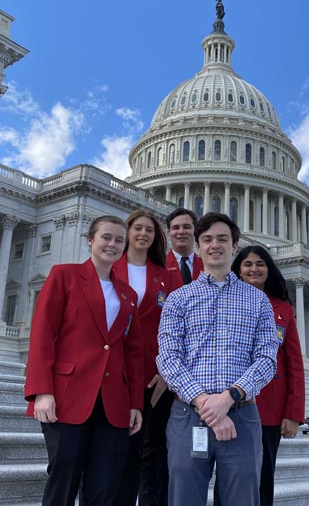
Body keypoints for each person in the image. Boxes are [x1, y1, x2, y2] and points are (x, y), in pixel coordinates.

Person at [156, 212, 279, 506]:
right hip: (188, 416)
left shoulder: (258, 300)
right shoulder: (178, 298)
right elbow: (168, 358)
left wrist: (228, 397)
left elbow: (266, 359)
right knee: (184, 498)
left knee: (243, 499)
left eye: (222, 239)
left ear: (234, 246)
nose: (215, 245)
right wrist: (203, 401)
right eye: (207, 239)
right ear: (197, 247)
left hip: (241, 414)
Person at [24, 215, 144, 506]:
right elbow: (42, 334)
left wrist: (135, 403)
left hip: (113, 401)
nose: (112, 244)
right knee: (63, 476)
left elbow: (133, 352)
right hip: (67, 396)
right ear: (90, 239)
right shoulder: (63, 275)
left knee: (105, 485)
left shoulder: (128, 294)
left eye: (119, 240)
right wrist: (42, 391)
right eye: (106, 237)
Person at [215, 245, 305, 506]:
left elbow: (294, 364)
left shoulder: (283, 310)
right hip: (229, 402)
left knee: (263, 476)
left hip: (269, 407)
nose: (254, 269)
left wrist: (293, 413)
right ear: (238, 270)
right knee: (228, 476)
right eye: (248, 264)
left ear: (269, 269)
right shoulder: (224, 300)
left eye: (260, 264)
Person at [113, 209, 177, 506]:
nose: (142, 234)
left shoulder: (166, 276)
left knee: (150, 450)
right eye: (137, 228)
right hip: (113, 370)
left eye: (149, 230)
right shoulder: (109, 267)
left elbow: (179, 326)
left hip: (154, 375)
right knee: (111, 448)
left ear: (156, 237)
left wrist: (167, 372)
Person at [166, 207, 203, 285]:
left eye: (186, 227)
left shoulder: (206, 267)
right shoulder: (159, 266)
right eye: (176, 228)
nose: (181, 232)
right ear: (169, 233)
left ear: (195, 231)